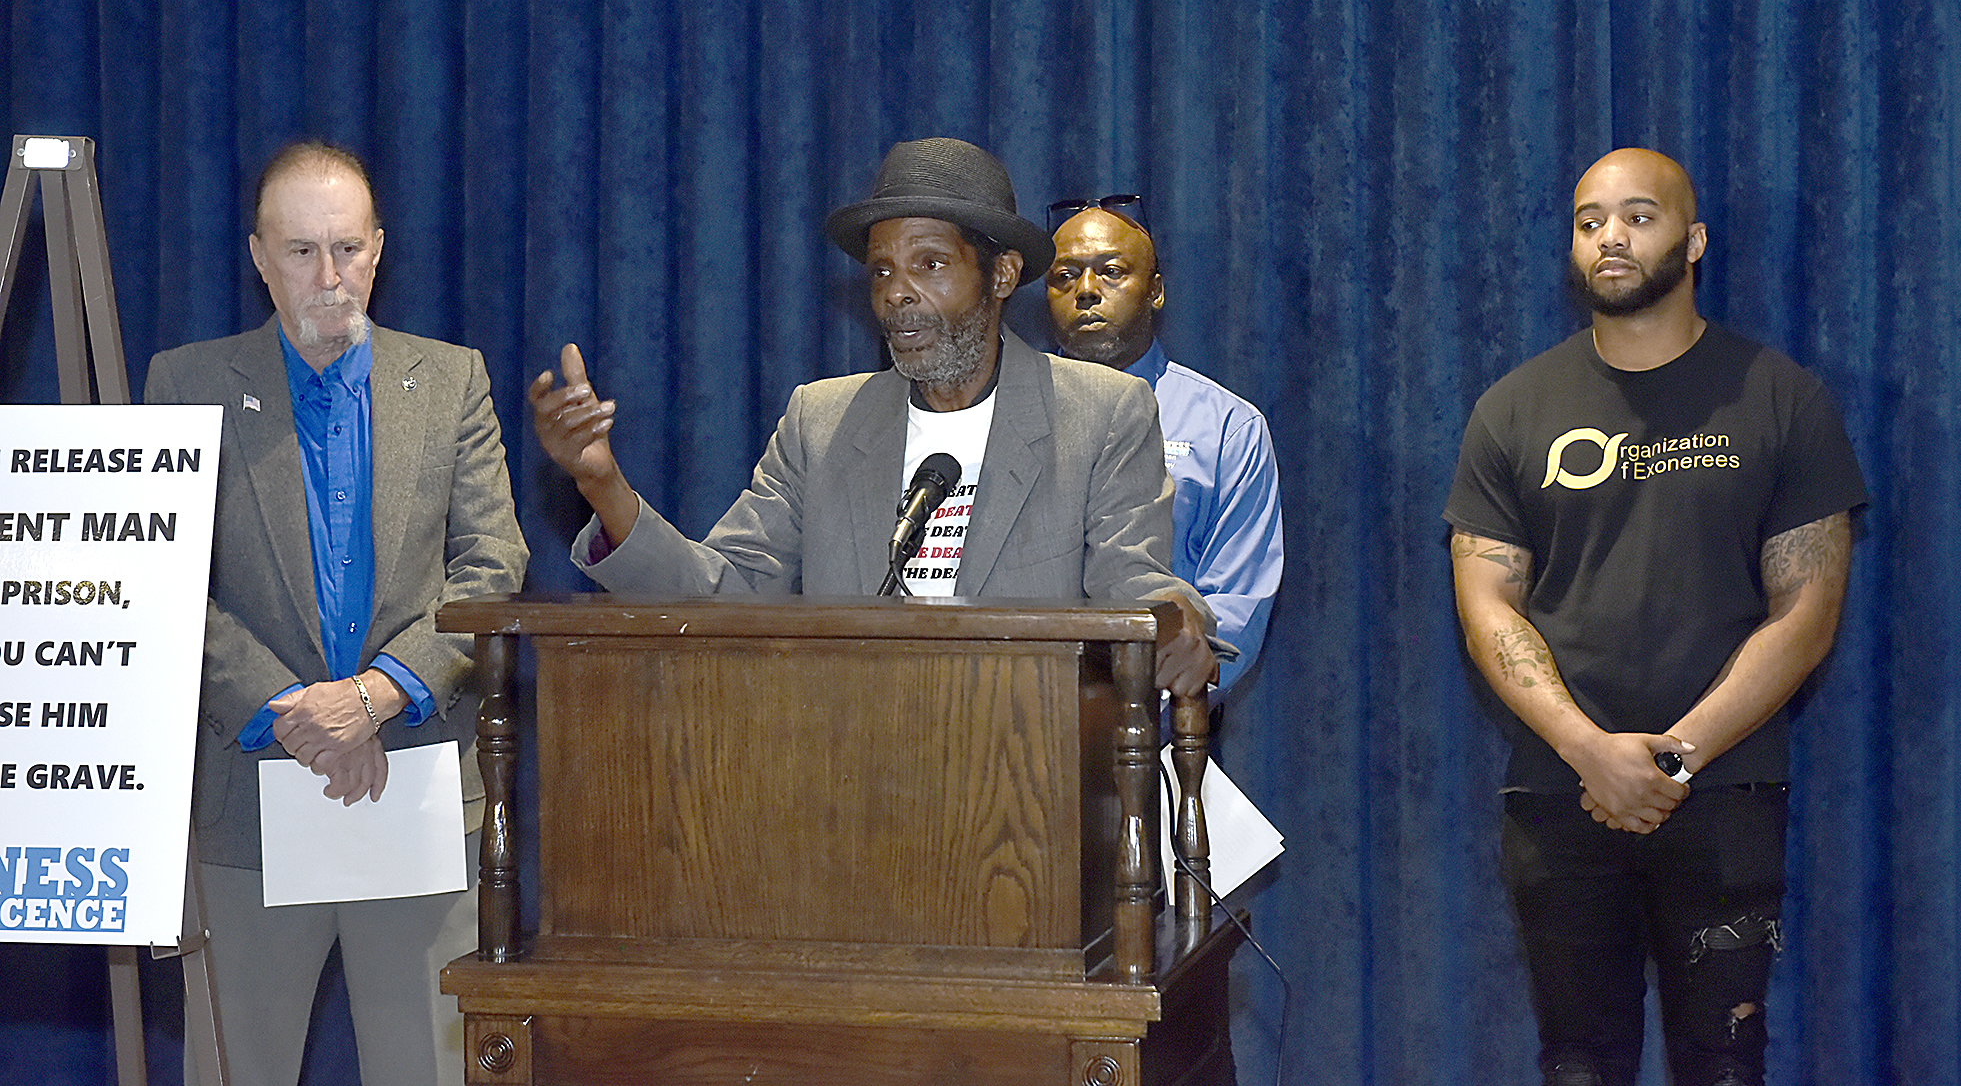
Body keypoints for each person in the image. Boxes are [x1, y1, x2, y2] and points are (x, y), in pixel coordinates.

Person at [1443, 148, 1867, 1086]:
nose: (1611, 238)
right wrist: (1590, 749)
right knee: (1578, 1064)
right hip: (1559, 793)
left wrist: (1673, 756)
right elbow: (1485, 600)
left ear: (1694, 239)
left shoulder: (1782, 399)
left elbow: (1808, 609)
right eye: (1590, 220)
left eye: (1638, 216)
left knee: (1725, 1062)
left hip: (1724, 791)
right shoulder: (1512, 410)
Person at [531, 136, 1216, 695]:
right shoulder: (822, 422)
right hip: (848, 783)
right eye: (883, 271)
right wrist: (604, 487)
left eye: (930, 263)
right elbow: (725, 594)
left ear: (1003, 275)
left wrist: (1177, 620)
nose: (898, 295)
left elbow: (1140, 588)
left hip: (1024, 792)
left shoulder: (1099, 415)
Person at [145, 141, 529, 1085]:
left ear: (380, 248)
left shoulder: (450, 381)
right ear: (258, 257)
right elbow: (165, 578)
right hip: (248, 804)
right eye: (302, 251)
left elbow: (494, 562)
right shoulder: (185, 384)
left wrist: (377, 694)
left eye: (348, 249)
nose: (329, 276)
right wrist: (299, 711)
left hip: (417, 793)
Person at [1044, 197, 1283, 699]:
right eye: (1065, 275)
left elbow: (1234, 608)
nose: (1086, 291)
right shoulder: (1005, 411)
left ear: (1154, 290)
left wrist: (1144, 702)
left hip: (1156, 728)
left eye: (1111, 272)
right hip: (1018, 713)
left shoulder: (1227, 428)